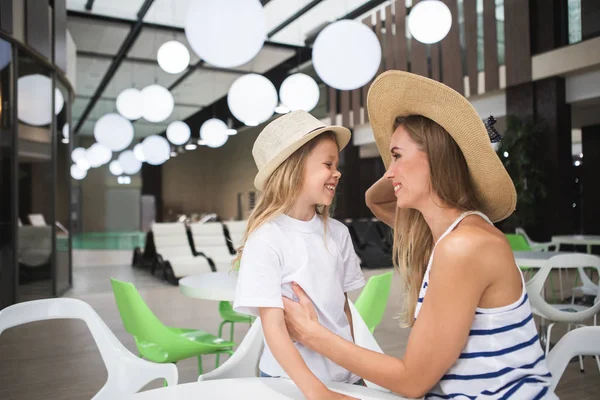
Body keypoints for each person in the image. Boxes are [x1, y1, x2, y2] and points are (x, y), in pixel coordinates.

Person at [282, 71, 556, 399]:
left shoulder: (464, 247)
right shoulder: (445, 234)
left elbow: (412, 382)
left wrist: (313, 335)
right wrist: (411, 166)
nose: (388, 170)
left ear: (436, 158)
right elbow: (376, 198)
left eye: (396, 155)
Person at [233, 110, 366, 400]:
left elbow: (343, 311)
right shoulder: (267, 239)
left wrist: (357, 368)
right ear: (293, 170)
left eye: (337, 164)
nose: (337, 172)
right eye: (328, 164)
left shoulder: (339, 234)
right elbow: (274, 329)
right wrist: (316, 392)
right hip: (293, 381)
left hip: (345, 375)